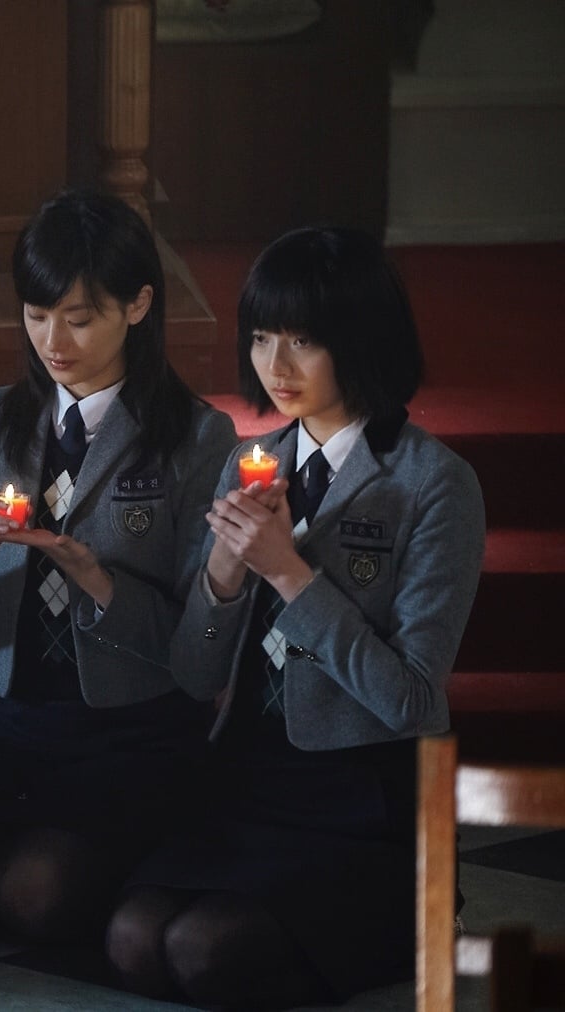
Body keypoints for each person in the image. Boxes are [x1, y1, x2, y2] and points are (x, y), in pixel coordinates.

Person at [106, 227, 485, 1009]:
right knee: (134, 938)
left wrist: (287, 570)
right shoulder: (251, 462)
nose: (275, 366)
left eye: (303, 341)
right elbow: (195, 675)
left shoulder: (434, 483)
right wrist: (221, 575)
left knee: (203, 950)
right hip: (249, 777)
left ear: (361, 341)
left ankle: (411, 917)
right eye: (261, 337)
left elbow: (413, 700)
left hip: (361, 793)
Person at [0, 190, 237, 942]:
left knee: (35, 894)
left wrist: (98, 582)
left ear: (139, 305)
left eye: (79, 319)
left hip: (130, 731)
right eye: (36, 314)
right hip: (13, 725)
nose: (54, 341)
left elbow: (199, 657)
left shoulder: (196, 437)